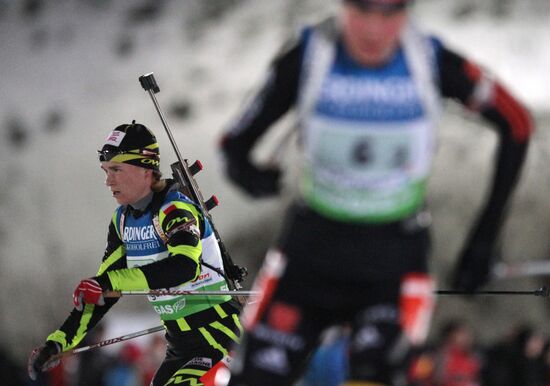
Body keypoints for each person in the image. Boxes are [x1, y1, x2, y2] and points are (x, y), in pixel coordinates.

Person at [219, 0, 533, 384]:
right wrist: (247, 173)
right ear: (341, 7)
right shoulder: (309, 56)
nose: (374, 29)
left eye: (391, 12)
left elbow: (516, 123)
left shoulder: (431, 61)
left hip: (392, 263)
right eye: (362, 11)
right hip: (310, 255)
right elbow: (234, 142)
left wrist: (484, 238)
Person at [27, 122, 242, 385]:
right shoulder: (122, 222)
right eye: (106, 171)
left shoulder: (174, 210)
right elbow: (102, 293)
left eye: (116, 169)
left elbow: (185, 267)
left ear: (145, 169)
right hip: (180, 345)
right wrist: (57, 343)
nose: (108, 180)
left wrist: (112, 282)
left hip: (218, 335)